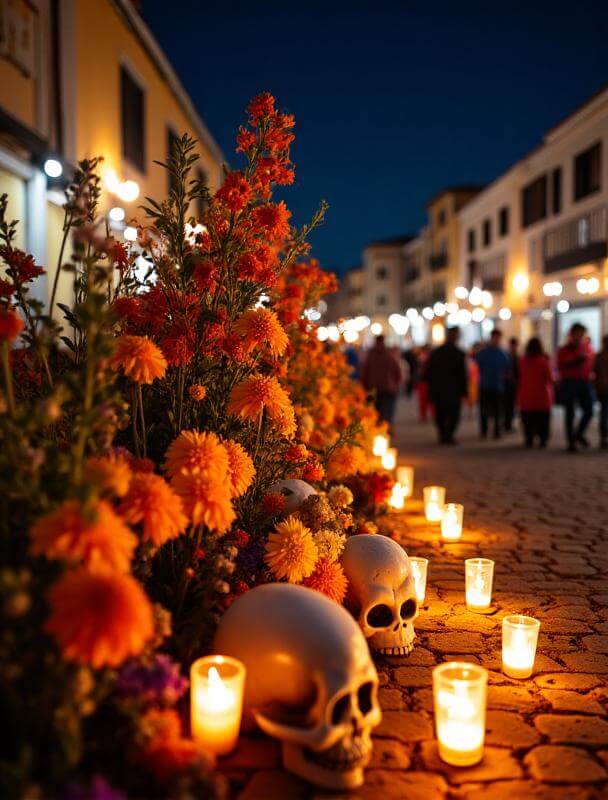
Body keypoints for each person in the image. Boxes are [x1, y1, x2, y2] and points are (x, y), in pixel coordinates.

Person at [425, 327, 468, 445]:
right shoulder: (459, 354)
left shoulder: (436, 352)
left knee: (440, 413)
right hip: (453, 390)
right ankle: (448, 435)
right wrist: (464, 390)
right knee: (453, 413)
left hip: (439, 389)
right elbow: (462, 374)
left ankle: (443, 434)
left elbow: (429, 372)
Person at [557, 322, 594, 452]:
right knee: (570, 412)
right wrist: (575, 361)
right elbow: (561, 365)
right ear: (572, 334)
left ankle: (578, 434)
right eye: (578, 334)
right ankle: (571, 441)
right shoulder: (564, 349)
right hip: (570, 382)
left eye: (582, 334)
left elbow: (591, 362)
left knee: (589, 410)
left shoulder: (586, 348)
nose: (580, 336)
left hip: (584, 381)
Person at [517, 337, 553, 448]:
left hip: (526, 394)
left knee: (527, 420)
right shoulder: (544, 361)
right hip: (542, 395)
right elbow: (550, 378)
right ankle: (543, 439)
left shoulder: (522, 361)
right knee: (543, 420)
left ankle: (529, 439)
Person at [360, 334, 403, 427]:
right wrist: (396, 384)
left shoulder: (370, 356)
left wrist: (365, 386)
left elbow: (364, 373)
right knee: (388, 412)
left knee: (376, 412)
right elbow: (398, 372)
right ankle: (387, 429)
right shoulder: (390, 355)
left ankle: (378, 430)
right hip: (389, 389)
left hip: (374, 389)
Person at [475, 329, 510, 439]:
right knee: (487, 410)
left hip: (494, 385)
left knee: (496, 410)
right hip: (488, 384)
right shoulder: (498, 353)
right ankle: (486, 431)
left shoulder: (499, 353)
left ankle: (494, 430)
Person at [593, 333, 608, 449]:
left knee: (604, 412)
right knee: (604, 413)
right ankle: (604, 437)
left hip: (602, 388)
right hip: (603, 388)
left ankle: (604, 437)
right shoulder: (599, 356)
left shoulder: (599, 356)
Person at [504, 337, 520, 432]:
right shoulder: (508, 356)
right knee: (508, 405)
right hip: (509, 384)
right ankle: (507, 424)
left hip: (513, 383)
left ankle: (508, 423)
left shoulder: (514, 356)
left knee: (510, 405)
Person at [416, 345, 432, 422]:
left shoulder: (424, 358)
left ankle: (425, 416)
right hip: (424, 382)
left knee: (428, 401)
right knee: (424, 401)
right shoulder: (421, 359)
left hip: (426, 382)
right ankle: (424, 416)